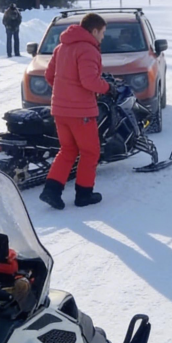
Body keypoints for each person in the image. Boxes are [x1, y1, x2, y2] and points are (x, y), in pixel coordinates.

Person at [39, 13, 116, 209]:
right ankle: (84, 195)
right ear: (94, 30)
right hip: (81, 112)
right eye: (103, 33)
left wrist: (64, 93)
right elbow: (89, 81)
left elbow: (49, 76)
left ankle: (51, 191)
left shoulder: (61, 48)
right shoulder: (88, 50)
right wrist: (108, 88)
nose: (103, 37)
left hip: (60, 110)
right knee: (90, 152)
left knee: (68, 150)